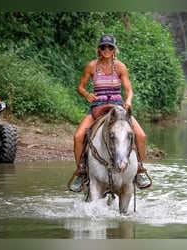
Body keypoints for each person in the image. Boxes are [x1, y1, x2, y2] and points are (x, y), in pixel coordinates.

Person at [69, 34, 151, 192]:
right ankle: (81, 171)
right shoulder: (92, 66)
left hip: (118, 107)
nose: (106, 50)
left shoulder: (120, 67)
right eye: (103, 47)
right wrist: (86, 94)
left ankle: (139, 169)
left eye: (110, 47)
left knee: (141, 136)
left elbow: (129, 89)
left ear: (114, 50)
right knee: (78, 136)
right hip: (97, 106)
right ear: (98, 49)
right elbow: (80, 86)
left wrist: (128, 101)